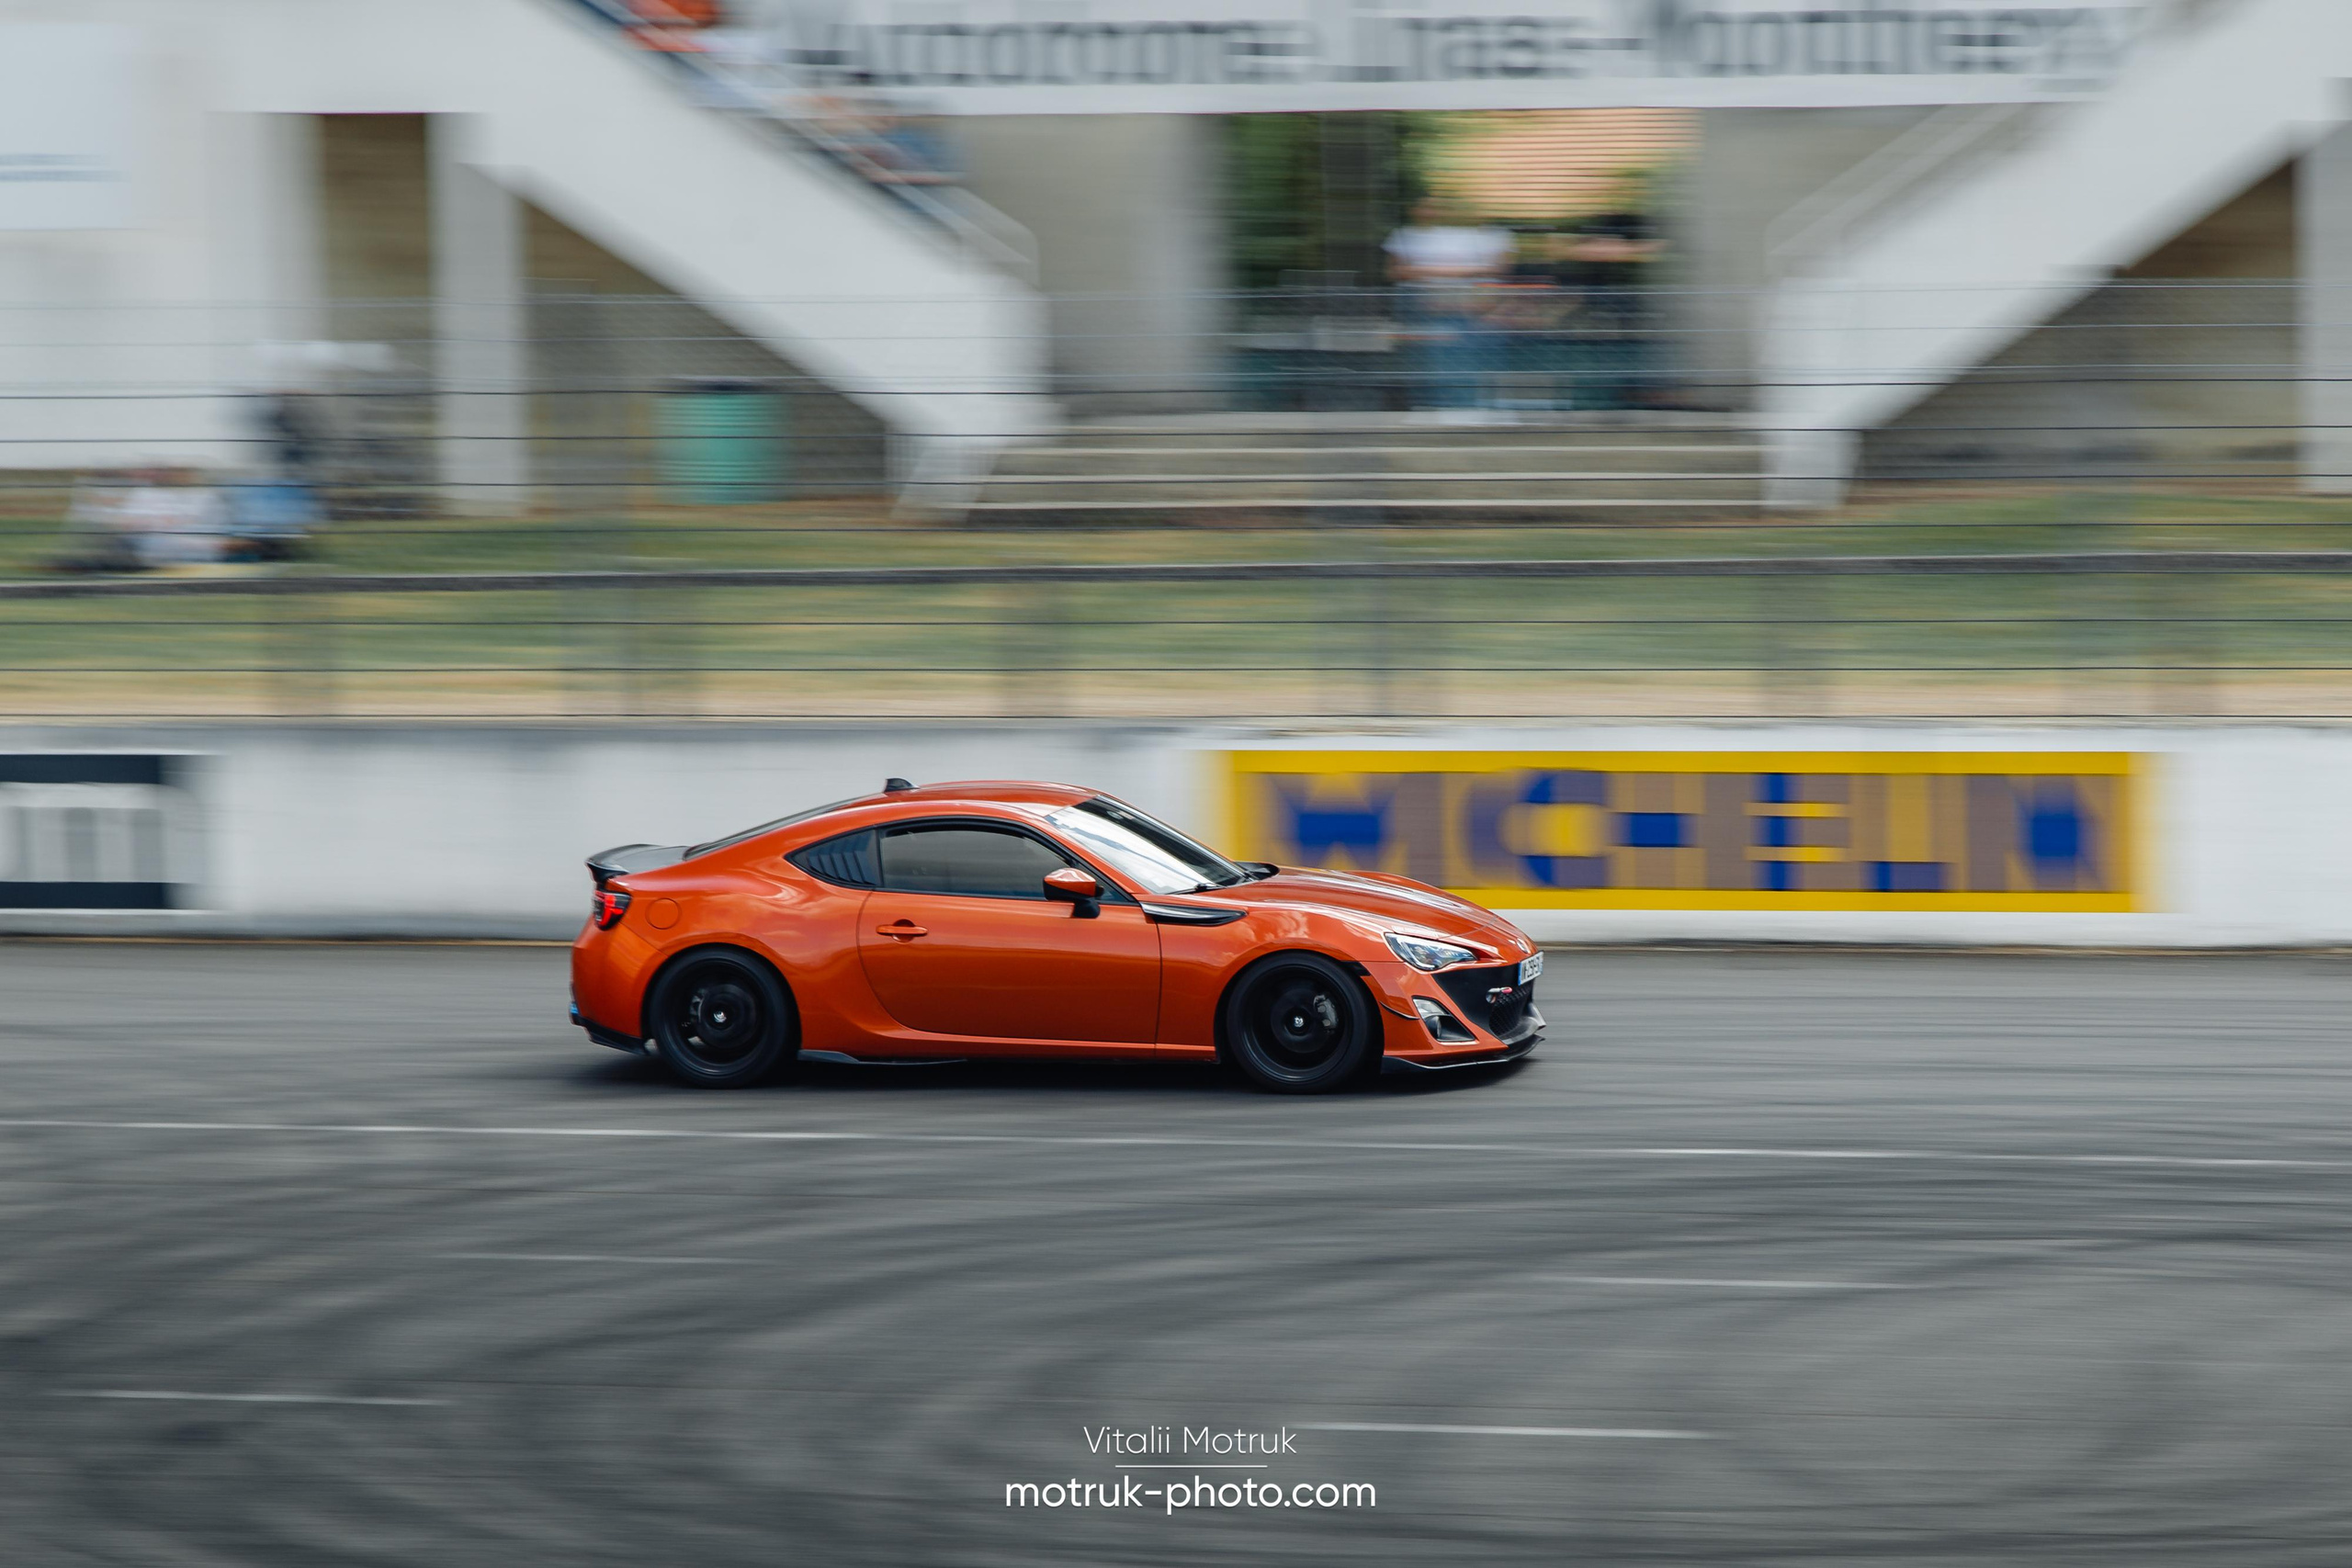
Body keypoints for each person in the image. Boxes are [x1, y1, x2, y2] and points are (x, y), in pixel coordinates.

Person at [1383, 199, 1514, 418]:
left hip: (1473, 312)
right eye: (1425, 206)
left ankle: (1468, 409)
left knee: (1472, 360)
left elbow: (1497, 269)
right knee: (1430, 361)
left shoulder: (1489, 236)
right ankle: (1434, 409)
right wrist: (1471, 271)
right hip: (1428, 310)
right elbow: (1397, 272)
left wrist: (1425, 272)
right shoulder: (1405, 236)